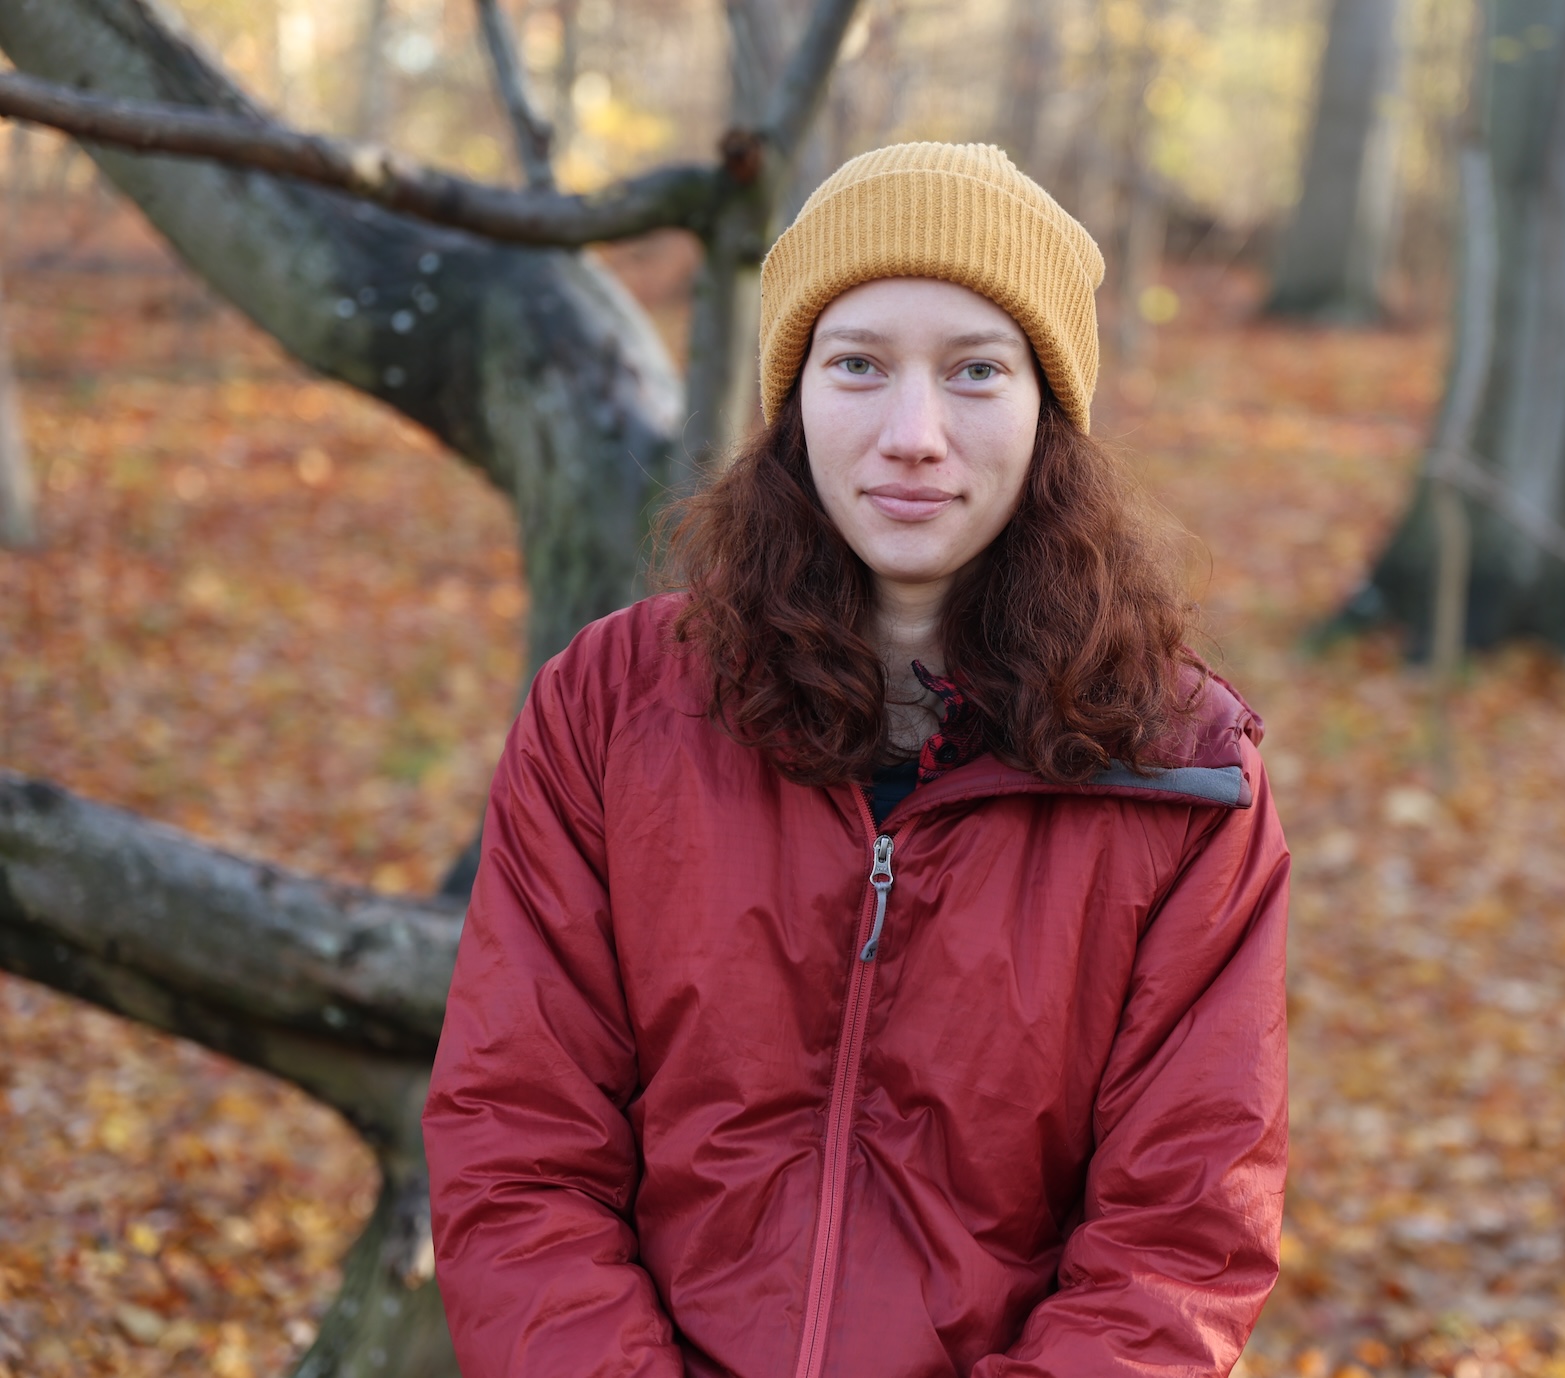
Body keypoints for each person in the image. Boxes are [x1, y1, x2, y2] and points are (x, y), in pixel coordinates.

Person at [423, 142, 1290, 1378]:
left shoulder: (1186, 776)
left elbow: (1182, 1236)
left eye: (977, 371)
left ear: (1049, 409)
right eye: (860, 364)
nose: (914, 433)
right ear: (797, 399)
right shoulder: (609, 710)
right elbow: (517, 1145)